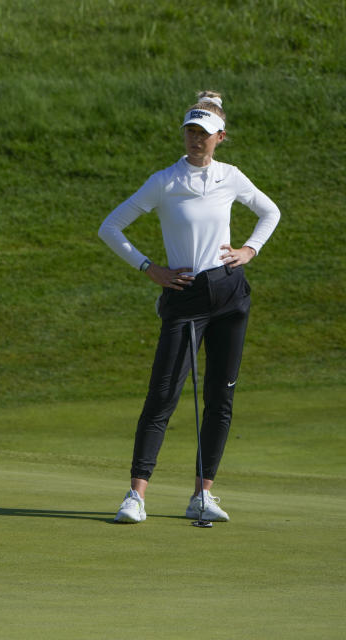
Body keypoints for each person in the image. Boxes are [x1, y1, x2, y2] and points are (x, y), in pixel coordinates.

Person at [98, 91, 281, 524]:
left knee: (221, 398)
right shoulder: (165, 181)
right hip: (185, 296)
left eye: (205, 133)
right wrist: (149, 268)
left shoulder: (231, 177)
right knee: (163, 395)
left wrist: (248, 251)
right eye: (191, 132)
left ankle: (202, 494)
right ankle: (136, 496)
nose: (196, 139)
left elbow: (269, 212)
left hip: (230, 294)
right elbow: (111, 227)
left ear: (221, 137)